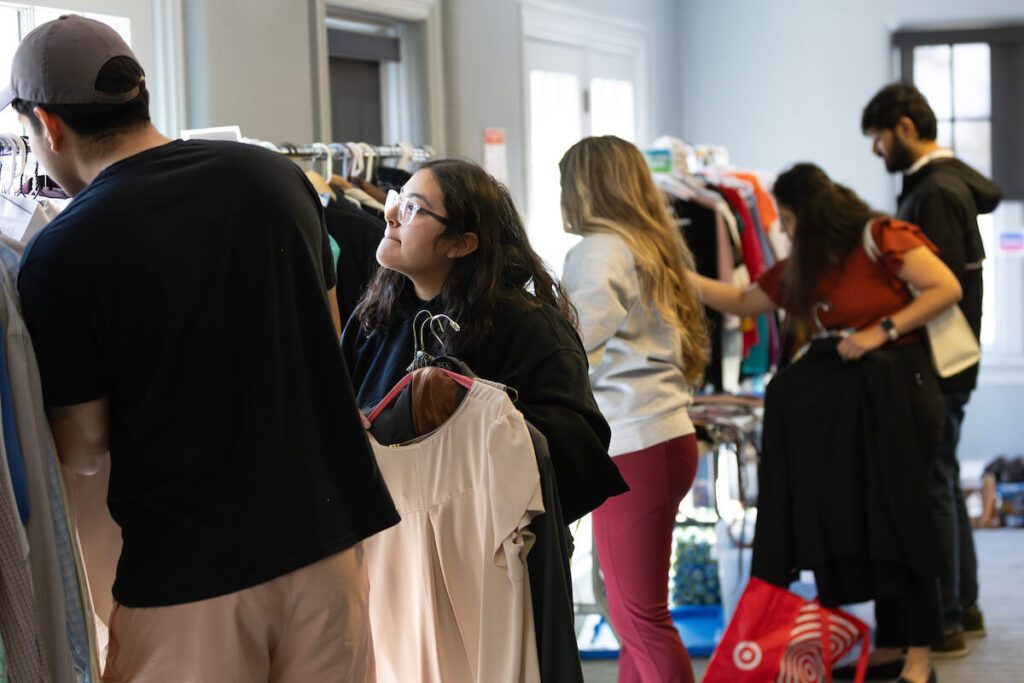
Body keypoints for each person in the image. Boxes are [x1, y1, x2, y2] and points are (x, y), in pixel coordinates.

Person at [6, 15, 397, 681]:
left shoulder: (63, 250)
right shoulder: (277, 179)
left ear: (47, 124)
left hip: (189, 575)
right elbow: (328, 337)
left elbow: (84, 446)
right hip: (328, 544)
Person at [691, 163, 963, 683]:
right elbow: (744, 301)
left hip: (902, 391)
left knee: (903, 519)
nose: (784, 229)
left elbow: (944, 287)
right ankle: (892, 644)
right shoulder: (810, 265)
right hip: (856, 403)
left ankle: (921, 657)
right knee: (871, 521)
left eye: (788, 219)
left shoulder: (881, 237)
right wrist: (674, 274)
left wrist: (881, 331)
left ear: (811, 214)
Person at [341, 158, 628, 526]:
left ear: (460, 244)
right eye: (397, 199)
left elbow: (577, 455)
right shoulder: (375, 316)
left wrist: (471, 413)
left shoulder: (529, 327)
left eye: (412, 208)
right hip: (389, 534)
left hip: (482, 541)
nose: (391, 215)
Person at [557, 136, 708, 683]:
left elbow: (573, 346)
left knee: (637, 619)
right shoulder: (650, 246)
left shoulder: (600, 250)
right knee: (634, 616)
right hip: (662, 437)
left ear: (584, 186)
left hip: (636, 443)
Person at [862, 82, 1002, 657]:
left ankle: (943, 617)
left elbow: (938, 290)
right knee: (941, 477)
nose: (876, 149)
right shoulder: (947, 183)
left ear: (904, 127)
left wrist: (884, 328)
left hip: (940, 364)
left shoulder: (936, 192)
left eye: (878, 137)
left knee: (933, 484)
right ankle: (961, 606)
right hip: (955, 362)